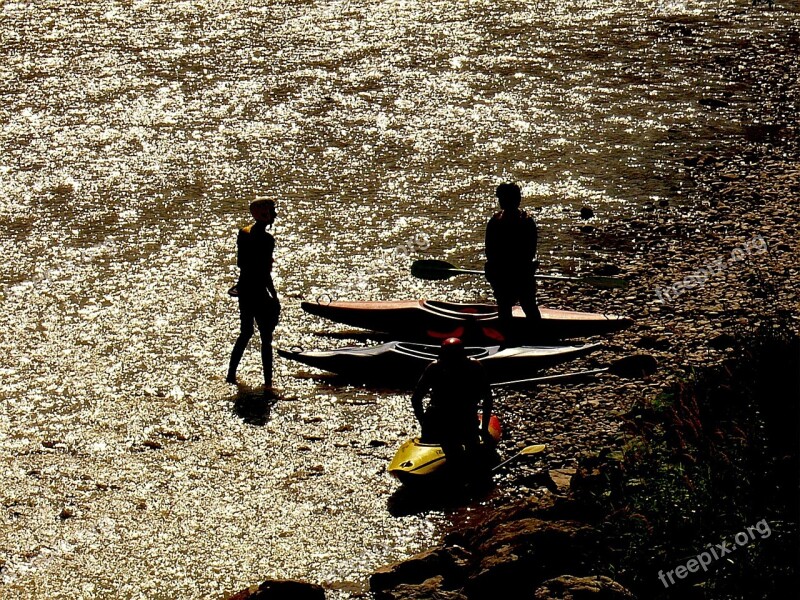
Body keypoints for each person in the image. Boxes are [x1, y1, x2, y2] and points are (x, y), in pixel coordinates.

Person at [410, 338, 494, 481]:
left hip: (457, 417)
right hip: (451, 418)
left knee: (461, 452)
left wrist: (423, 422)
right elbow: (487, 399)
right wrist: (424, 424)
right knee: (461, 451)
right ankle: (464, 472)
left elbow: (416, 399)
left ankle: (462, 472)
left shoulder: (436, 367)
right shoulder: (473, 366)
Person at [227, 198, 281, 388]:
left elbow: (242, 264)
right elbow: (265, 272)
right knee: (266, 337)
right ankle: (268, 384)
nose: (274, 215)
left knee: (246, 332)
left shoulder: (244, 233)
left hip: (244, 288)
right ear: (264, 214)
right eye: (272, 211)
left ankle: (231, 375)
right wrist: (274, 296)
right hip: (257, 290)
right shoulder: (267, 240)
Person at [484, 182, 541, 342]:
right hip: (506, 273)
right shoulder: (496, 221)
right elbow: (490, 250)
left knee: (526, 304)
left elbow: (529, 249)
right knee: (509, 306)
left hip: (518, 272)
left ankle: (534, 336)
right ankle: (509, 339)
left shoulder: (525, 221)